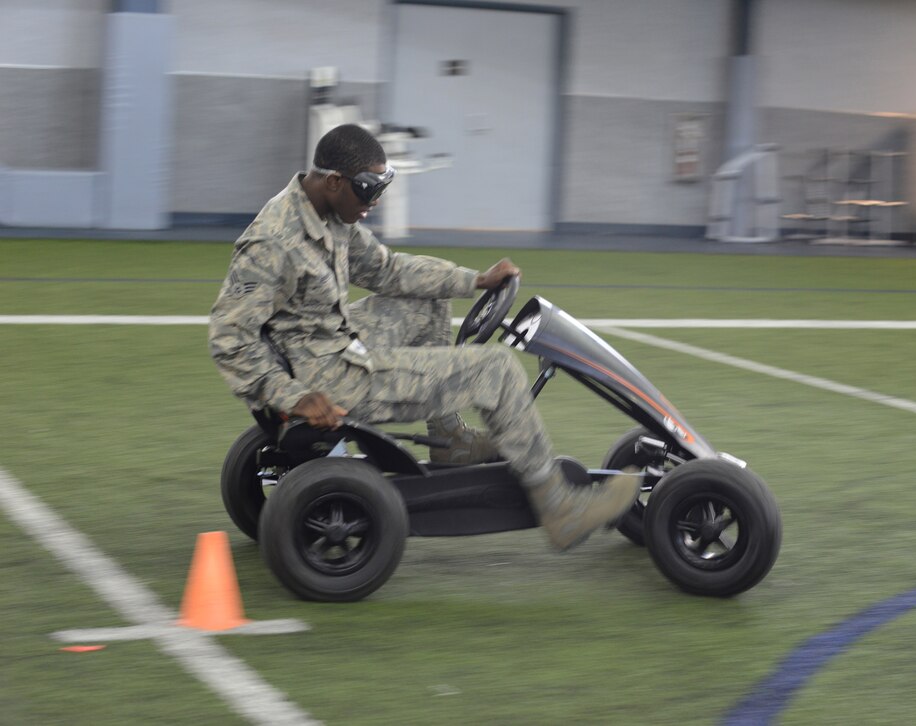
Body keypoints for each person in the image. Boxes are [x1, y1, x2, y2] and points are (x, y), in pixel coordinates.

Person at [208, 123, 638, 550]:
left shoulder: (328, 211)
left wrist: (474, 280)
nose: (373, 204)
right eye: (367, 192)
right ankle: (560, 507)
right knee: (498, 369)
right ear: (334, 181)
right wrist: (293, 397)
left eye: (380, 190)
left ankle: (448, 439)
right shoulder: (275, 241)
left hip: (326, 342)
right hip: (324, 377)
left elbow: (387, 270)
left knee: (427, 298)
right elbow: (230, 336)